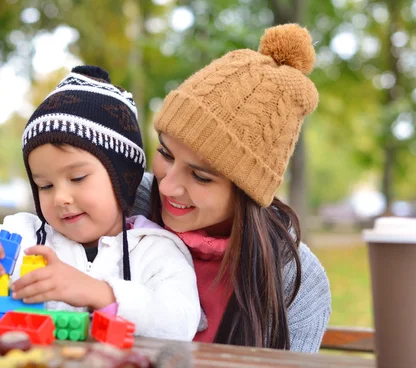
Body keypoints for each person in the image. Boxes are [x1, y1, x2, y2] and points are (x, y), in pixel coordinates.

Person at [0, 66, 201, 341]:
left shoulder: (156, 250)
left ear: (125, 179)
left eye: (78, 177)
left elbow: (180, 323)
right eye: (45, 185)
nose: (60, 198)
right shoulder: (20, 239)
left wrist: (101, 293)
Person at [132, 24, 331, 352]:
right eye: (166, 154)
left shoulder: (297, 283)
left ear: (247, 192)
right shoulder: (123, 201)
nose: (166, 186)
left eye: (201, 177)